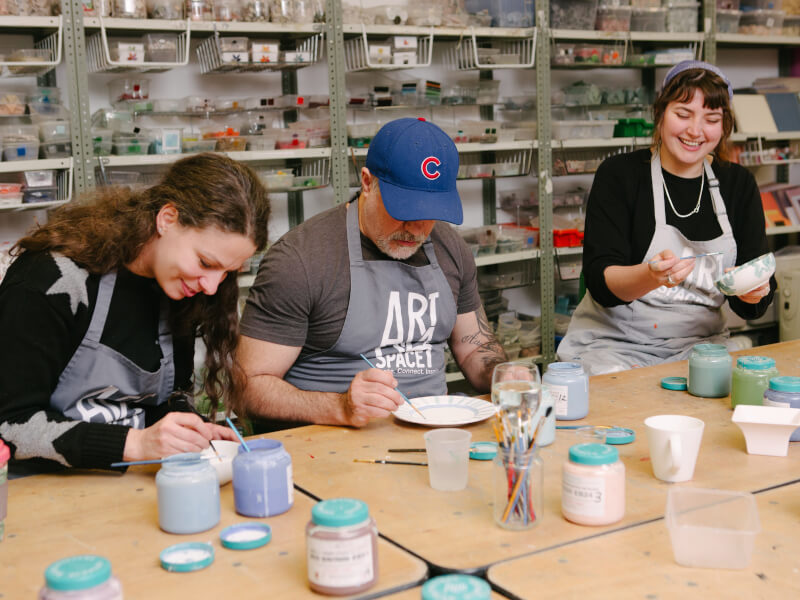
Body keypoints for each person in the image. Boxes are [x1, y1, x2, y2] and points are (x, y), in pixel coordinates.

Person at [0, 153, 271, 475]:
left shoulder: (181, 288)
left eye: (229, 271)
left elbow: (160, 404)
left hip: (126, 480)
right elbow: (9, 424)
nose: (212, 286)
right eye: (206, 263)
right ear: (167, 219)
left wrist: (191, 432)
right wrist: (137, 445)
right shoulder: (52, 280)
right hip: (38, 486)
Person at [236, 118, 506, 429]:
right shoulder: (300, 260)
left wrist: (503, 375)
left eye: (429, 214)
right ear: (367, 182)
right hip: (333, 446)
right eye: (404, 211)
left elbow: (474, 347)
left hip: (432, 436)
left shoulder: (450, 248)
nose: (417, 229)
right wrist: (340, 407)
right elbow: (247, 387)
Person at [557, 61, 776, 375]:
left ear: (723, 126)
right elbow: (600, 282)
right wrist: (651, 276)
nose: (695, 131)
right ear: (660, 114)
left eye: (711, 119)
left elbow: (753, 297)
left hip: (702, 348)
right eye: (683, 114)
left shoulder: (737, 184)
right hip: (615, 346)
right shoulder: (621, 176)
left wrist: (753, 291)